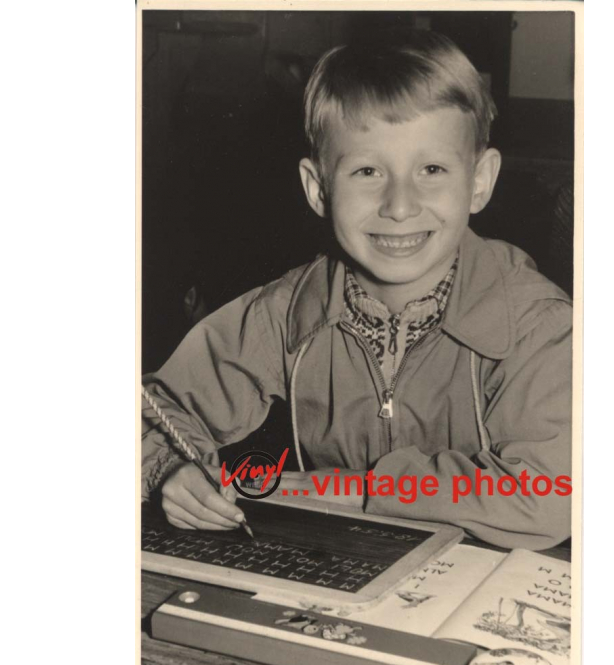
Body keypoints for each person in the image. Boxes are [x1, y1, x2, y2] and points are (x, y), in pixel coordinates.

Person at [141, 29, 572, 550]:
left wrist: (362, 489)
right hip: (338, 570)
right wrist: (168, 472)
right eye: (367, 171)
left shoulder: (540, 325)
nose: (399, 205)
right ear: (318, 189)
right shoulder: (287, 311)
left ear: (479, 181)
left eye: (432, 169)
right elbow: (154, 409)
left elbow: (554, 495)